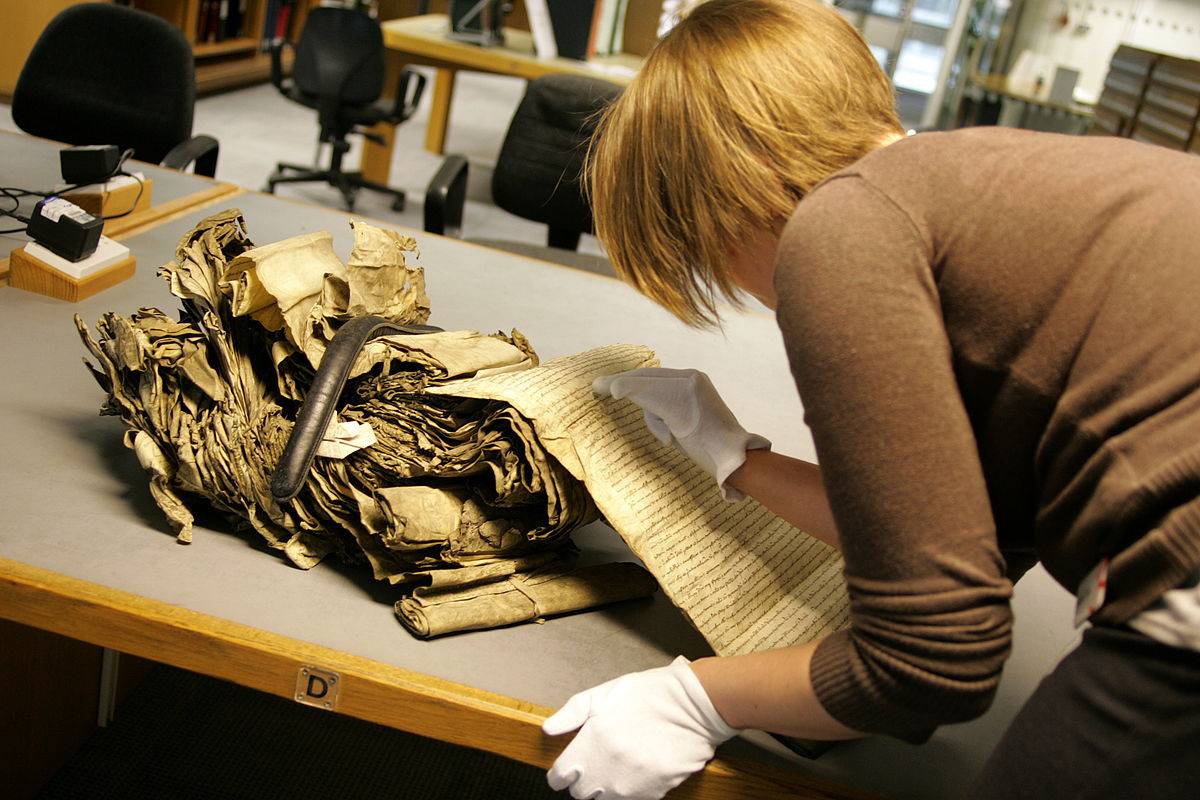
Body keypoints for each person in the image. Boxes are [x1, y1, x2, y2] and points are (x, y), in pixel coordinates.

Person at [538, 1, 1200, 798]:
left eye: (702, 250)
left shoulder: (842, 227)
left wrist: (694, 698)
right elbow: (980, 537)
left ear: (725, 187)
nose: (737, 285)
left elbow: (931, 661)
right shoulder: (984, 188)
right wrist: (734, 459)